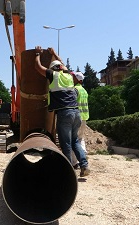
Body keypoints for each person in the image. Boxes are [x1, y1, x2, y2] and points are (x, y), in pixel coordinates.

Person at [34, 46, 90, 177]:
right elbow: (63, 65)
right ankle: (84, 165)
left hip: (64, 114)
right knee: (75, 141)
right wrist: (54, 54)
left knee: (65, 144)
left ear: (53, 68)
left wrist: (37, 53)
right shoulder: (69, 76)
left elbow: (38, 67)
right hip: (76, 114)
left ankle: (68, 172)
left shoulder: (53, 75)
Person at [72, 72, 89, 154]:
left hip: (77, 117)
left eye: (73, 77)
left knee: (74, 139)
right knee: (80, 138)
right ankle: (83, 154)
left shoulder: (75, 89)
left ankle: (76, 160)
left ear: (77, 79)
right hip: (84, 117)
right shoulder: (84, 91)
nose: (72, 78)